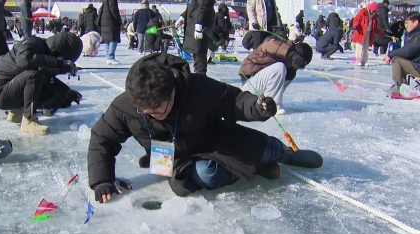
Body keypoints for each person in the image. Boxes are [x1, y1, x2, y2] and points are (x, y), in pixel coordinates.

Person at [87, 53, 323, 202]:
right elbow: (102, 139)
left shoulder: (196, 87)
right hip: (176, 158)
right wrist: (101, 180)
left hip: (214, 140)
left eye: (157, 110)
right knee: (205, 175)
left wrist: (258, 108)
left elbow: (234, 101)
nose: (150, 115)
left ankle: (281, 152)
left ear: (172, 92)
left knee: (257, 148)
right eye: (144, 112)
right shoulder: (128, 104)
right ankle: (257, 168)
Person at [0, 30, 83, 135]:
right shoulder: (32, 43)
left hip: (10, 91)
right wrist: (58, 63)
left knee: (43, 80)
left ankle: (17, 112)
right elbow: (24, 60)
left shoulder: (45, 51)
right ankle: (29, 120)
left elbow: (48, 79)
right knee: (34, 75)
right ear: (58, 50)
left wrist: (67, 92)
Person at [239, 35, 313, 115]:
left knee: (291, 73)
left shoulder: (288, 64)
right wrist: (291, 54)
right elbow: (269, 44)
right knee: (280, 67)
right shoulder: (275, 45)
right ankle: (272, 104)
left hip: (259, 89)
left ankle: (268, 102)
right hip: (249, 84)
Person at [383, 12, 420, 94]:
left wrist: (390, 54)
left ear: (416, 22)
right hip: (416, 64)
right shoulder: (412, 34)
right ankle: (402, 86)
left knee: (397, 60)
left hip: (418, 66)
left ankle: (400, 86)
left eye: (407, 23)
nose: (405, 26)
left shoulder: (418, 36)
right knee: (399, 57)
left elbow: (408, 51)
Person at [181, 0, 215, 75]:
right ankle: (199, 74)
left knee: (199, 50)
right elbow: (194, 7)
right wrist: (183, 16)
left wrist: (198, 25)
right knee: (196, 51)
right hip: (194, 24)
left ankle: (201, 76)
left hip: (199, 26)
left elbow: (203, 8)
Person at [351, 2, 384, 66]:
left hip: (368, 32)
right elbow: (357, 19)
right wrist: (355, 25)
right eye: (373, 11)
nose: (374, 12)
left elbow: (374, 27)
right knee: (359, 47)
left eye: (375, 11)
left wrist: (381, 33)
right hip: (360, 31)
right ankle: (357, 61)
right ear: (370, 9)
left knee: (366, 47)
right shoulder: (363, 12)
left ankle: (364, 61)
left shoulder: (374, 16)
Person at [97, 0, 122, 65]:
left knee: (107, 40)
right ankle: (110, 57)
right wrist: (118, 20)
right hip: (111, 21)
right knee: (113, 39)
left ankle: (108, 57)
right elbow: (113, 10)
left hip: (104, 21)